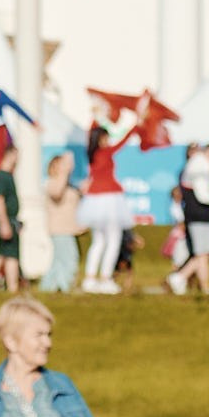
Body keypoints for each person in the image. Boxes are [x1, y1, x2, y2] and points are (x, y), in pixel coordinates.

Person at [81, 105, 146, 293]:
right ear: (101, 139)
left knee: (99, 240)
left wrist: (95, 117)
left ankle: (90, 278)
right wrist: (135, 125)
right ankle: (105, 278)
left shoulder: (92, 155)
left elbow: (91, 132)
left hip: (96, 201)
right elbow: (122, 142)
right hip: (108, 199)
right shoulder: (104, 153)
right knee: (113, 239)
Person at [168, 142, 209, 294]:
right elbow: (203, 195)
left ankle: (183, 279)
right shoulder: (198, 167)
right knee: (203, 253)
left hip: (203, 218)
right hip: (198, 217)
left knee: (206, 253)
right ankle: (187, 280)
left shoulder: (202, 167)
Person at [0, 144, 25, 293]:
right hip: (5, 222)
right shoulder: (1, 177)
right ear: (10, 155)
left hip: (11, 221)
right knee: (2, 255)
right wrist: (4, 223)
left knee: (10, 255)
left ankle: (12, 287)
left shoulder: (9, 176)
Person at [42, 150, 82, 293]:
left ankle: (49, 288)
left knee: (58, 262)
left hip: (68, 229)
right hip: (59, 229)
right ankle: (65, 287)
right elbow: (57, 193)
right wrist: (64, 171)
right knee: (69, 259)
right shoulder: (51, 183)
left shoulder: (69, 185)